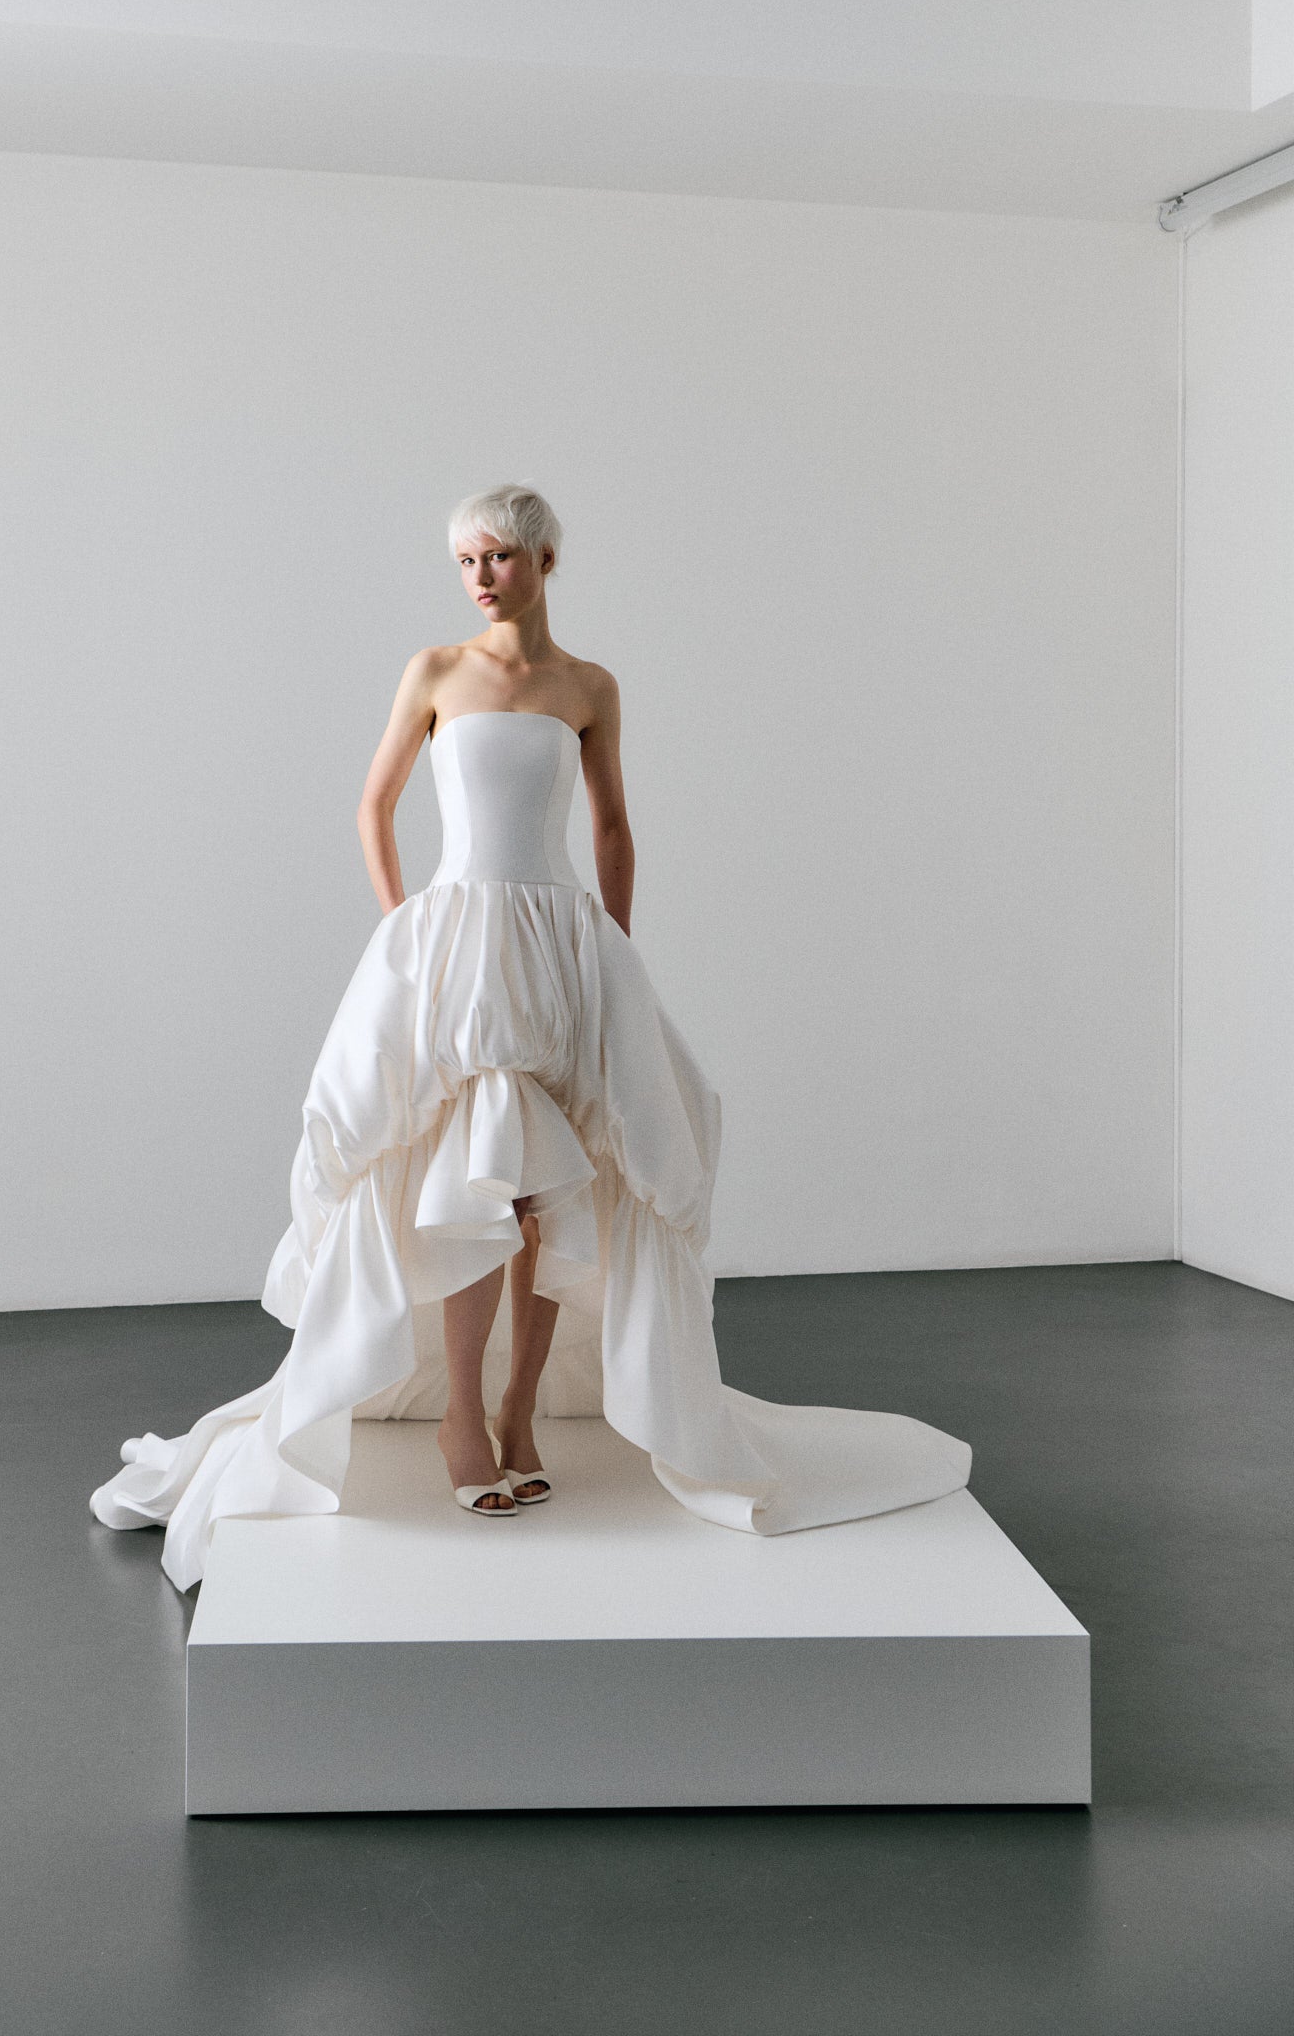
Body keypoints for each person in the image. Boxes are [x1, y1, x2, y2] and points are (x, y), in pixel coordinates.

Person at [91, 484, 970, 1585]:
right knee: (480, 1175)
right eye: (465, 559)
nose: (479, 577)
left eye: (499, 556)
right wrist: (408, 925)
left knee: (552, 1192)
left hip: (562, 946)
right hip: (462, 946)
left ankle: (517, 1413)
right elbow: (374, 805)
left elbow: (610, 825)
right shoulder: (432, 670)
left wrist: (617, 956)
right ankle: (462, 1417)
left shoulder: (587, 685)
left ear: (546, 560)